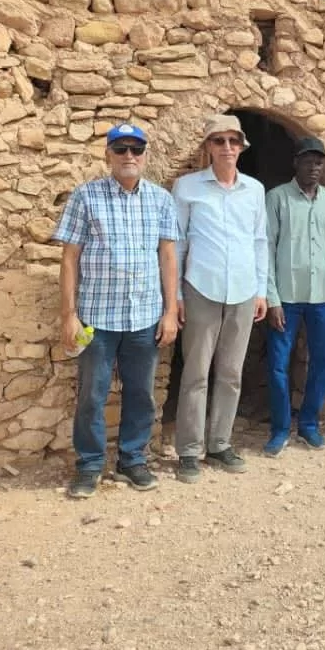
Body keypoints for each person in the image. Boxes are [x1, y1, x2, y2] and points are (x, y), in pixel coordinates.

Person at [54, 123, 179, 499]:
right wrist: (68, 315)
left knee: (141, 394)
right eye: (121, 149)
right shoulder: (85, 197)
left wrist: (170, 311)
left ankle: (132, 460)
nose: (129, 156)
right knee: (92, 396)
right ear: (108, 154)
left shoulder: (160, 200)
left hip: (144, 318)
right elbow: (70, 258)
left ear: (145, 156)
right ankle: (90, 465)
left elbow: (168, 256)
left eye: (136, 149)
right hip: (97, 318)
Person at [171, 114, 269, 484]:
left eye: (233, 140)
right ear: (208, 147)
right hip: (201, 287)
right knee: (195, 372)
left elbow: (259, 241)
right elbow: (178, 243)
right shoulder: (187, 187)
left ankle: (219, 443)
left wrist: (262, 290)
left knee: (230, 373)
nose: (227, 147)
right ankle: (189, 450)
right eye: (219, 140)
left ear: (242, 146)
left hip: (243, 290)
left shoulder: (254, 190)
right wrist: (176, 295)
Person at [262, 137, 325, 456]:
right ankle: (280, 428)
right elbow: (266, 248)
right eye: (308, 161)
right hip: (286, 297)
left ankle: (309, 425)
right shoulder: (277, 198)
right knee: (278, 364)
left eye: (319, 162)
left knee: (321, 362)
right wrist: (272, 299)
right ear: (295, 163)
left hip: (322, 296)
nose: (314, 167)